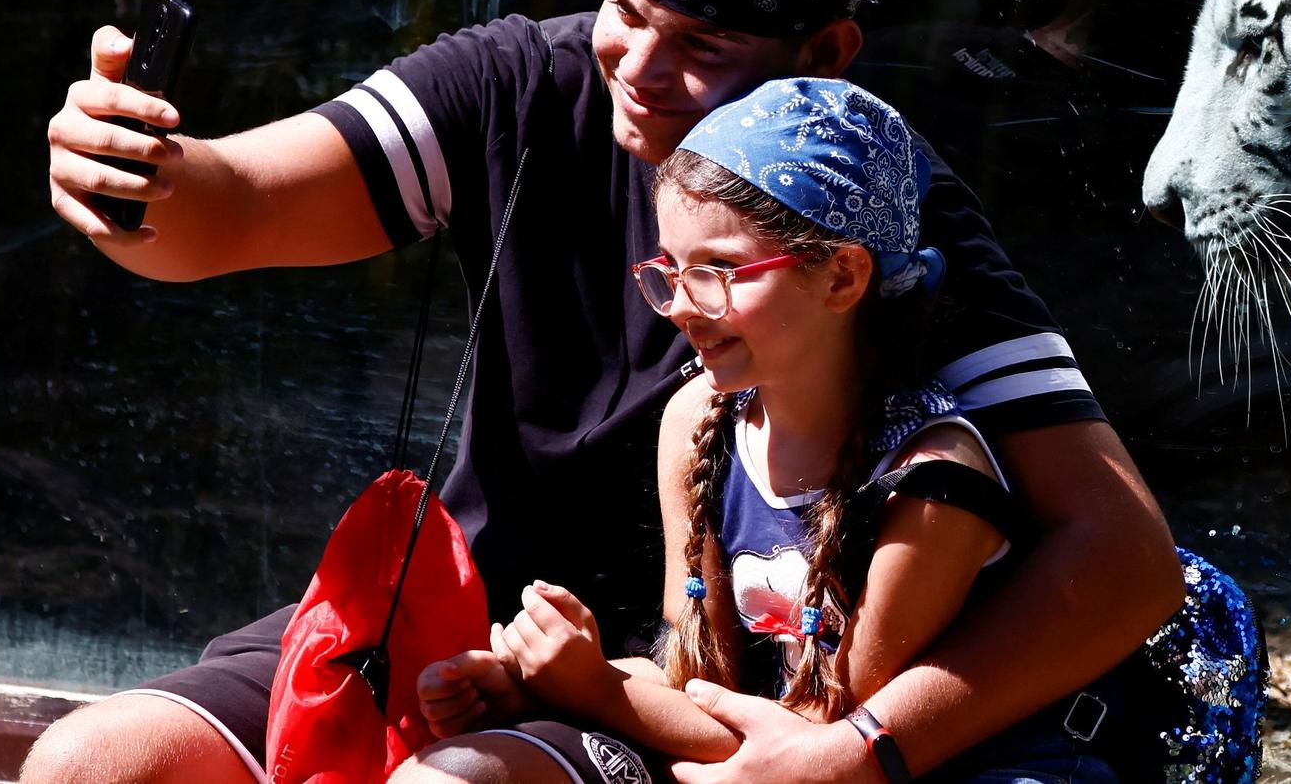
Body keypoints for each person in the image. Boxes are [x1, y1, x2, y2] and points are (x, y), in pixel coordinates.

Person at [31, 0, 1182, 784]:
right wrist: (140, 182)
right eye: (623, 9)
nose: (633, 65)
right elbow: (233, 211)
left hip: (648, 690)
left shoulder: (872, 209)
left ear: (825, 55)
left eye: (701, 44)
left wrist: (864, 749)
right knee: (87, 762)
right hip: (444, 613)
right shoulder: (519, 84)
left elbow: (1123, 555)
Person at [415, 77, 1125, 782]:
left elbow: (810, 746)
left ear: (843, 276)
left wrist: (598, 690)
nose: (680, 306)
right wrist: (544, 677)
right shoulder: (698, 422)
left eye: (719, 269)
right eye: (669, 270)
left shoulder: (933, 483)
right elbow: (699, 673)